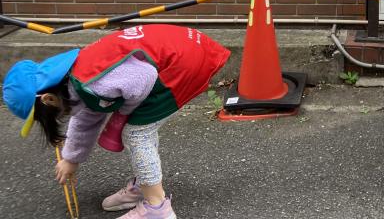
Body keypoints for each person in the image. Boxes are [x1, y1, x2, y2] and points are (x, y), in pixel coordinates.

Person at [2, 24, 230, 219]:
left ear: (49, 99)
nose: (58, 119)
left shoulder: (92, 82)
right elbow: (87, 117)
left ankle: (156, 207)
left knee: (136, 133)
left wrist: (125, 112)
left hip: (184, 60)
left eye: (48, 117)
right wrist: (71, 159)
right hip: (182, 49)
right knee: (140, 129)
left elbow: (143, 77)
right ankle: (145, 186)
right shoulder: (75, 80)